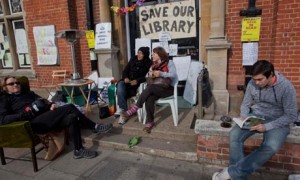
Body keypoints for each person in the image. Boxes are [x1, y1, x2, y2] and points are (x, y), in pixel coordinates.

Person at [212, 60, 298, 180]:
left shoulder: (286, 87)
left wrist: (267, 127)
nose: (256, 83)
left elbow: (291, 115)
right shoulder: (253, 83)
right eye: (254, 79)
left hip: (278, 120)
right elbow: (246, 103)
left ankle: (232, 173)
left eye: (260, 80)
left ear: (271, 74)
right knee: (234, 135)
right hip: (257, 116)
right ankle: (237, 177)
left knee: (271, 146)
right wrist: (244, 116)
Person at [0, 76, 113, 159]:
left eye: (17, 82)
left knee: (72, 117)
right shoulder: (6, 99)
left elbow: (42, 101)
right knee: (69, 107)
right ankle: (94, 126)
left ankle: (78, 150)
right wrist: (24, 114)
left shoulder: (28, 93)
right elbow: (3, 119)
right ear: (5, 88)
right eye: (11, 84)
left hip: (46, 116)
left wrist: (50, 104)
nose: (15, 85)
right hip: (33, 123)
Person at [120, 46, 178, 133]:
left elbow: (173, 75)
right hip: (155, 88)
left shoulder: (169, 63)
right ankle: (150, 122)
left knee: (150, 88)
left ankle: (135, 108)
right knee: (149, 98)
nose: (152, 55)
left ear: (159, 54)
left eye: (154, 54)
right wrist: (150, 74)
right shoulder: (153, 65)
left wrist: (161, 73)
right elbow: (147, 77)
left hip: (167, 89)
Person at [116, 46, 152, 124]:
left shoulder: (148, 63)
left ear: (145, 54)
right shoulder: (133, 59)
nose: (138, 54)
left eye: (141, 53)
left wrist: (137, 80)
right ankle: (123, 110)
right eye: (138, 52)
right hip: (127, 82)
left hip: (138, 84)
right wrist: (125, 77)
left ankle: (123, 114)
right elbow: (125, 70)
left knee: (122, 90)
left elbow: (147, 76)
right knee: (120, 85)